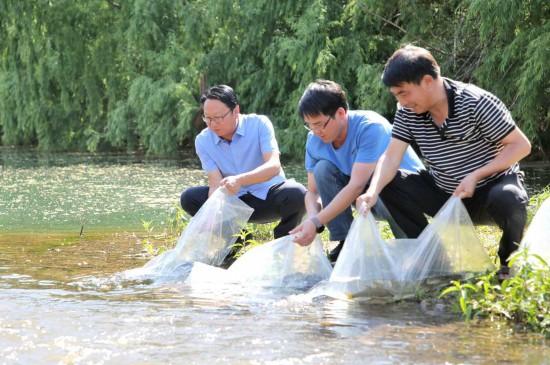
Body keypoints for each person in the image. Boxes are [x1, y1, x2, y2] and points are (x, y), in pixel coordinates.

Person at [357, 45, 531, 280]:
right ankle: (430, 258)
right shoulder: (407, 112)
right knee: (385, 183)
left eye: (403, 92)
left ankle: (507, 264)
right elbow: (390, 157)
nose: (401, 101)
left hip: (490, 190)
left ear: (427, 81)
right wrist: (372, 192)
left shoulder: (476, 102)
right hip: (446, 192)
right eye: (396, 95)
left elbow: (521, 146)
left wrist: (476, 175)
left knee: (510, 197)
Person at [289, 80, 424, 261]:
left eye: (320, 124)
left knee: (386, 183)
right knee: (323, 169)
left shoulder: (369, 127)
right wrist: (313, 219)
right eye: (310, 125)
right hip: (365, 198)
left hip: (404, 193)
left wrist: (316, 221)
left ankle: (413, 244)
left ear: (341, 113)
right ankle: (345, 241)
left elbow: (356, 185)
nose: (316, 131)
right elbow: (312, 192)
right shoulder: (314, 140)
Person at [180, 84, 307, 242]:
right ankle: (238, 240)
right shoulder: (203, 141)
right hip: (234, 202)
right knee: (190, 198)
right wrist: (211, 215)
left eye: (218, 118)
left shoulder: (259, 124)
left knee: (298, 193)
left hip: (269, 195)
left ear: (236, 111)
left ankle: (284, 242)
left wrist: (240, 180)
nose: (212, 124)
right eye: (208, 118)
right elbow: (215, 184)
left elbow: (274, 166)